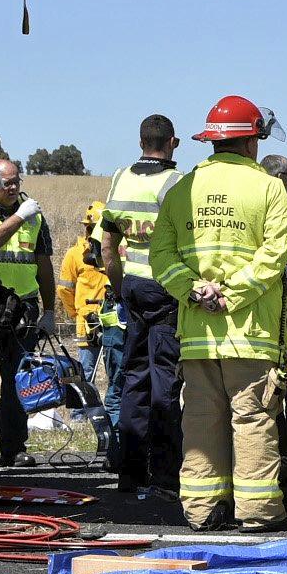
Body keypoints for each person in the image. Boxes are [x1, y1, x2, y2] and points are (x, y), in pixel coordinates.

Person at [151, 96, 287, 532]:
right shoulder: (269, 188)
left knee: (199, 422)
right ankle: (257, 512)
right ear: (252, 141)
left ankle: (201, 510)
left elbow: (161, 257)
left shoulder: (180, 191)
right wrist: (232, 295)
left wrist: (196, 291)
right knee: (251, 419)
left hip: (197, 335)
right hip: (249, 333)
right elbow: (274, 256)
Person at [100, 114, 185, 496]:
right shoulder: (175, 182)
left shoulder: (120, 178)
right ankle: (166, 477)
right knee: (165, 380)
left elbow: (106, 246)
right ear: (173, 143)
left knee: (133, 379)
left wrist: (120, 287)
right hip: (165, 288)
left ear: (140, 144)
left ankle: (130, 474)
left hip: (132, 286)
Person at [0, 158, 55, 469]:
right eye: (7, 183)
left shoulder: (35, 215)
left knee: (17, 380)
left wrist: (50, 309)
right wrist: (18, 217)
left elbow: (44, 264)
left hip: (23, 308)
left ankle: (14, 448)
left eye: (17, 180)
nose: (14, 187)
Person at [58, 200, 124, 426]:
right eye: (88, 227)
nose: (89, 232)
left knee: (114, 368)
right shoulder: (74, 255)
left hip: (112, 318)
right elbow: (65, 288)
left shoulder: (115, 251)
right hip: (85, 322)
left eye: (94, 227)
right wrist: (76, 312)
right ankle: (80, 415)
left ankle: (109, 411)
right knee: (85, 370)